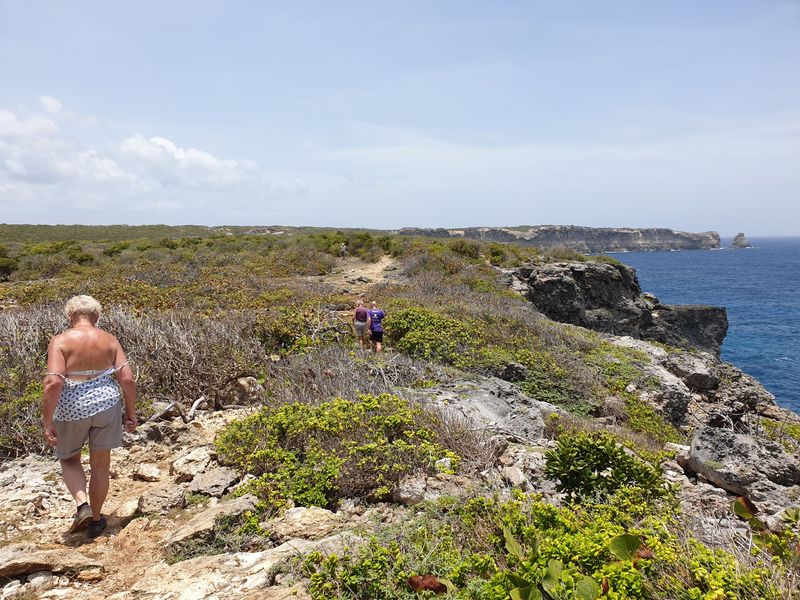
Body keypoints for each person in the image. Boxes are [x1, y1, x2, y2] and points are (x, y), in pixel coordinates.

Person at [42, 295, 137, 538]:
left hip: (72, 406)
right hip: (107, 404)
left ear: (69, 316)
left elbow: (53, 382)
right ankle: (96, 521)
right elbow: (127, 378)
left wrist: (48, 420)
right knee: (101, 465)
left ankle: (82, 505)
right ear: (97, 317)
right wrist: (130, 412)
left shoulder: (60, 341)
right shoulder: (110, 340)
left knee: (70, 458)